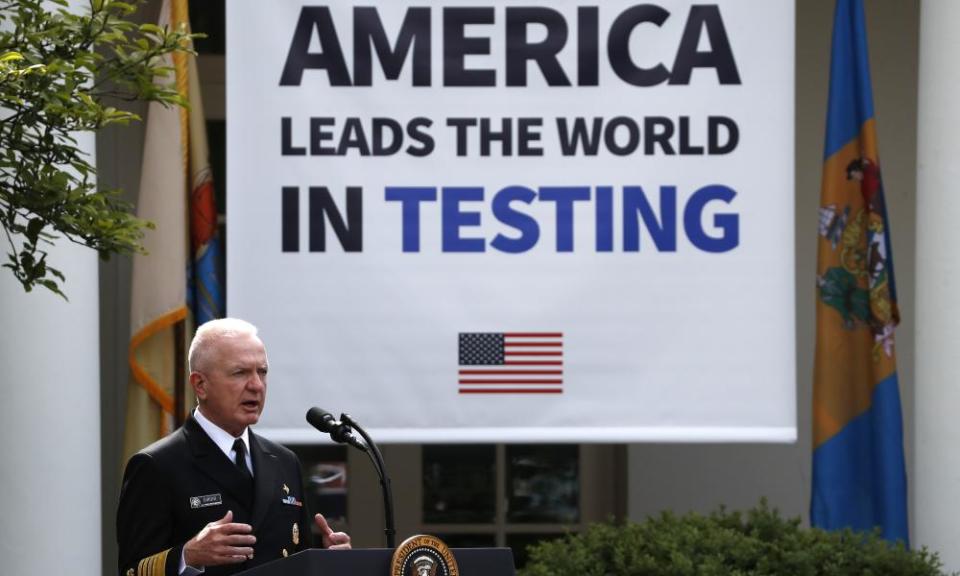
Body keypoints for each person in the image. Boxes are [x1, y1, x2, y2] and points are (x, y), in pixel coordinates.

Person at [117, 318, 350, 576]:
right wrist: (187, 556)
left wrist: (328, 561)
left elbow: (295, 558)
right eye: (240, 373)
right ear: (200, 385)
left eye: (262, 372)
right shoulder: (157, 465)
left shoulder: (284, 461)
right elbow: (131, 571)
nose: (256, 385)